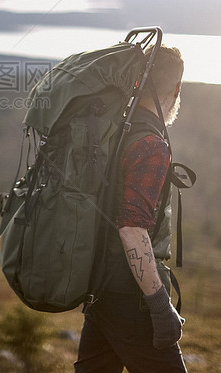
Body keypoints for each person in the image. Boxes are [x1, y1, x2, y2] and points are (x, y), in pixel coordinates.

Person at [75, 45, 187, 372]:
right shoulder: (150, 144)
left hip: (100, 286)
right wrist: (158, 305)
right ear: (176, 89)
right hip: (129, 296)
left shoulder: (110, 131)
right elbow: (132, 228)